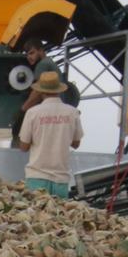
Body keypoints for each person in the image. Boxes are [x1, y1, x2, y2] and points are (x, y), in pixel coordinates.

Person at [18, 71, 83, 199]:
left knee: (37, 217)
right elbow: (76, 144)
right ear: (59, 90)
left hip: (37, 177)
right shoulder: (72, 113)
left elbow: (23, 147)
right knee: (58, 218)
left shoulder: (33, 113)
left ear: (41, 91)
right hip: (61, 179)